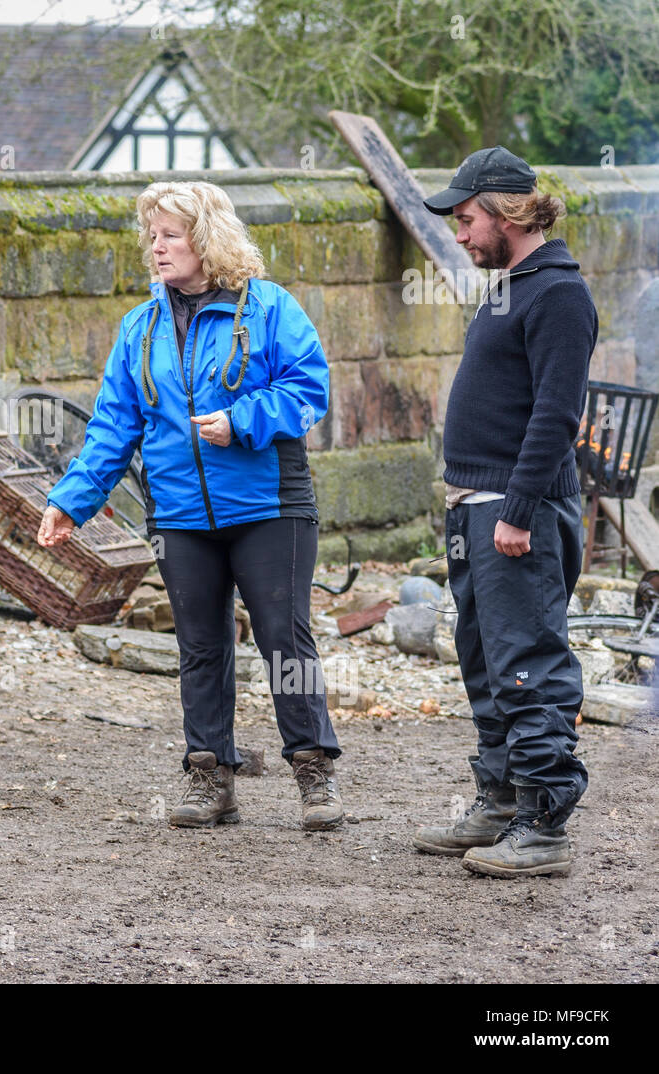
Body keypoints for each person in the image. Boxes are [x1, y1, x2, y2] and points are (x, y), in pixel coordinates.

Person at [37, 181, 344, 831]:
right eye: (151, 236)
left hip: (270, 507)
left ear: (207, 238)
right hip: (178, 515)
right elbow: (113, 429)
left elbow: (309, 391)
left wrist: (242, 421)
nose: (156, 247)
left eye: (169, 235)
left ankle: (314, 773)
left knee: (283, 640)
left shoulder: (270, 309)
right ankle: (210, 776)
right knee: (201, 647)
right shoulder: (139, 327)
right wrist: (71, 502)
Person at [415, 146, 596, 877]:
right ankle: (497, 802)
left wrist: (517, 511)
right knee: (485, 661)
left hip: (515, 514)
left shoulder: (557, 294)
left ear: (507, 211)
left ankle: (543, 825)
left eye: (466, 219)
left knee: (529, 665)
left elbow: (557, 416)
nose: (459, 235)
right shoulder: (508, 287)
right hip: (475, 508)